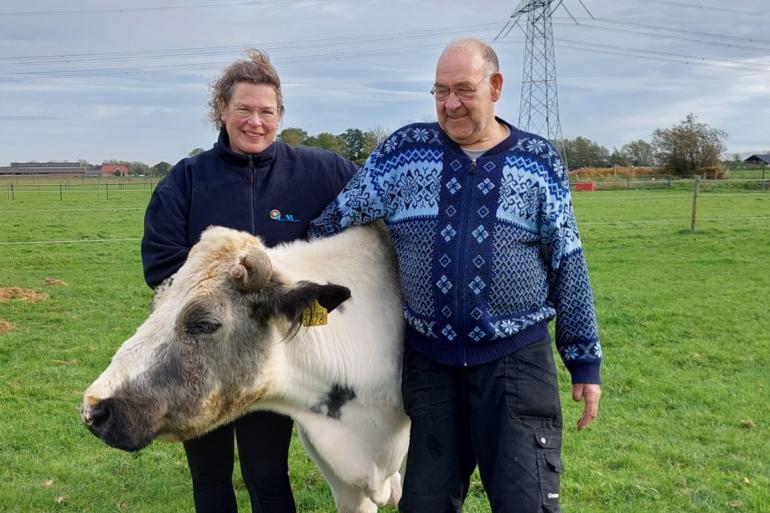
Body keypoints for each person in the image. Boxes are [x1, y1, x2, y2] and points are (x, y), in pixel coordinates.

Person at [309, 38, 602, 513]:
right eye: (440, 91)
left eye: (463, 89)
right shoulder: (404, 153)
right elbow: (334, 220)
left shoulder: (539, 161)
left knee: (526, 503)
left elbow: (567, 260)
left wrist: (584, 360)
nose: (450, 104)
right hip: (430, 366)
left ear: (496, 86)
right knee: (425, 504)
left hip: (515, 363)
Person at [141, 49, 357, 513]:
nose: (255, 122)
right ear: (222, 109)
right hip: (198, 358)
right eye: (244, 109)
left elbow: (371, 211)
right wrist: (232, 288)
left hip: (268, 355)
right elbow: (159, 264)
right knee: (210, 477)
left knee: (268, 473)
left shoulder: (321, 172)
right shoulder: (186, 180)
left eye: (266, 111)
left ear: (280, 114)